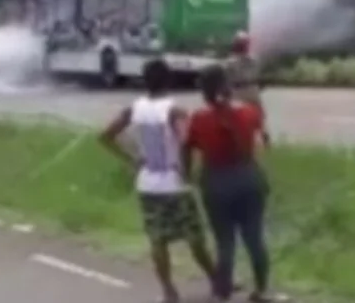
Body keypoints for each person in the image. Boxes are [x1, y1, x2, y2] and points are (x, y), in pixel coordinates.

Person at [99, 59, 217, 303]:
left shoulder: (135, 108)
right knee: (194, 237)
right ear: (169, 80)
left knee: (157, 240)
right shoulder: (175, 110)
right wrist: (188, 169)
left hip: (148, 181)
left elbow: (106, 136)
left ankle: (168, 290)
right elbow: (185, 141)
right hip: (174, 181)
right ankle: (216, 279)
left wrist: (132, 159)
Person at [183, 65, 278, 303]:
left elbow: (186, 147)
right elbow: (261, 138)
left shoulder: (199, 118)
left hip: (216, 181)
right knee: (255, 238)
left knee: (225, 241)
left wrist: (187, 174)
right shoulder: (248, 112)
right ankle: (261, 290)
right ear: (228, 85)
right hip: (248, 177)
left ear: (204, 92)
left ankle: (222, 292)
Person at [225, 31, 270, 146]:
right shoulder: (254, 59)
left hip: (238, 91)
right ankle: (264, 138)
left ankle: (239, 140)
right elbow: (259, 76)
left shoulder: (230, 62)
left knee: (238, 117)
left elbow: (228, 79)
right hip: (251, 89)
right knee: (258, 116)